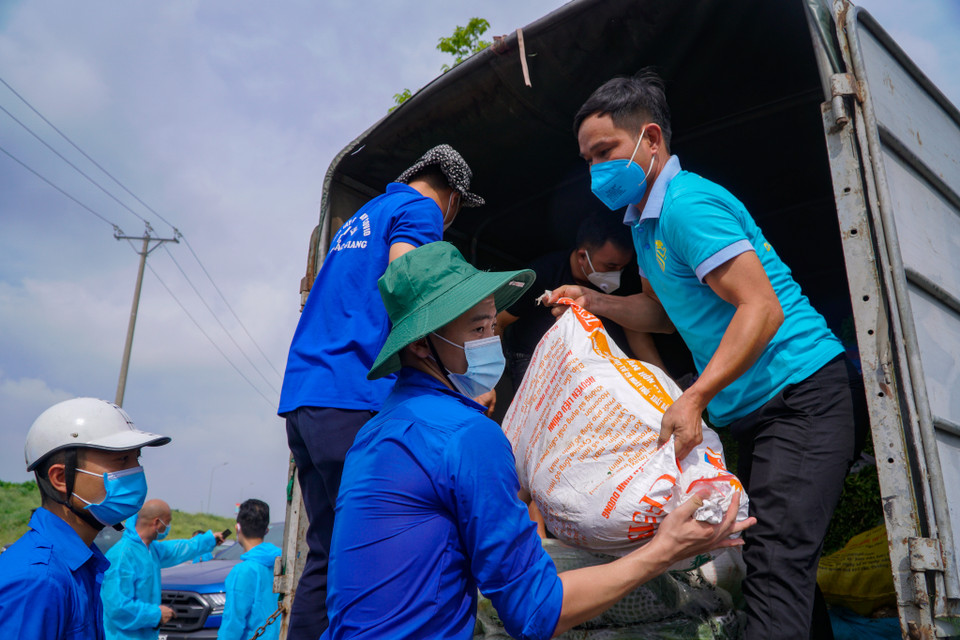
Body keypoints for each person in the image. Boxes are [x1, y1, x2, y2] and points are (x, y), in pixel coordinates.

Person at [552, 69, 868, 639]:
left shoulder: (686, 206)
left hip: (802, 393)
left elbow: (762, 309)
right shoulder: (645, 228)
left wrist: (694, 396)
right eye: (588, 159)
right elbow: (661, 315)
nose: (596, 170)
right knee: (776, 556)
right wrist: (594, 301)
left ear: (650, 140)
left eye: (606, 151)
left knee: (773, 555)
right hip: (761, 409)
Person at [322, 241, 754, 639]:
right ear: (420, 347)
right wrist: (665, 549)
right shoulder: (465, 436)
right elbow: (534, 611)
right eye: (477, 330)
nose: (492, 340)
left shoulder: (375, 432)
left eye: (494, 324)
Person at [277, 143, 483, 639]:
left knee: (327, 551)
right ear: (452, 196)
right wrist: (457, 382)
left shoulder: (361, 217)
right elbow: (410, 281)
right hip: (356, 397)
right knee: (385, 547)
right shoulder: (420, 209)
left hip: (306, 398)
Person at [0, 397, 171, 640]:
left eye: (137, 458)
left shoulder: (81, 563)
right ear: (61, 478)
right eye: (122, 460)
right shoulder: (38, 582)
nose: (136, 471)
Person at [497, 212, 665, 386]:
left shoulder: (625, 281)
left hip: (591, 360)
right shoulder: (541, 274)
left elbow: (636, 331)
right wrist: (488, 380)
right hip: (533, 358)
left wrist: (665, 380)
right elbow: (499, 321)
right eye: (611, 266)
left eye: (622, 267)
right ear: (582, 257)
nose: (616, 274)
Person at [101, 499, 224, 640]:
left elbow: (179, 549)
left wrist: (209, 540)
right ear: (157, 523)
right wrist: (156, 614)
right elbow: (117, 608)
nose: (168, 527)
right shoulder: (122, 556)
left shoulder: (150, 550)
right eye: (168, 522)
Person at [218, 499, 283, 640]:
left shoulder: (242, 571)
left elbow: (233, 622)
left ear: (237, 528)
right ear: (266, 530)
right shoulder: (283, 563)